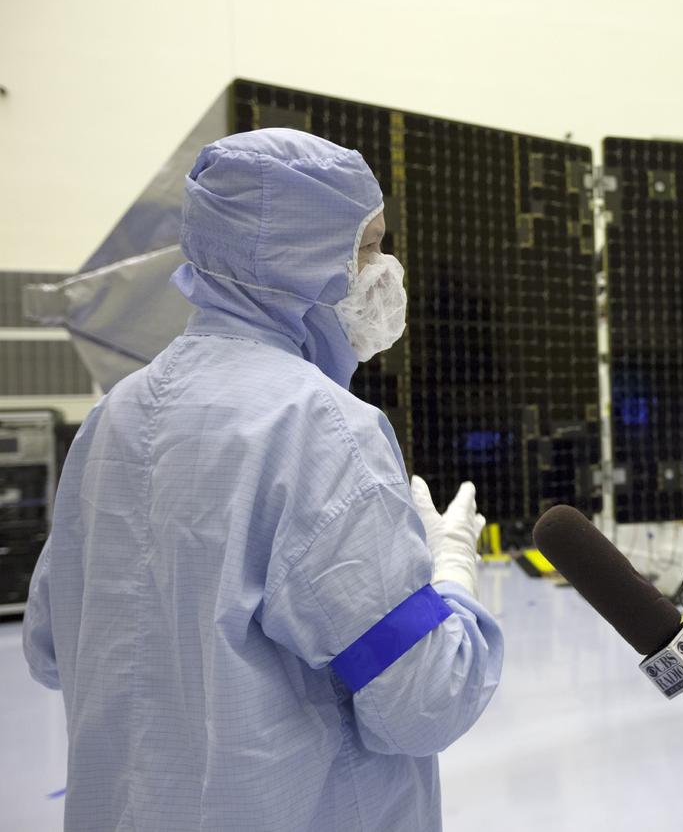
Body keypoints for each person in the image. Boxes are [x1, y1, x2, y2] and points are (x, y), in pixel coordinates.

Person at [22, 129, 503, 831]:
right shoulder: (324, 430)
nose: (386, 270)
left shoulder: (113, 418)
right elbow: (423, 699)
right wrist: (452, 571)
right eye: (368, 247)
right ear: (300, 262)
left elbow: (48, 647)